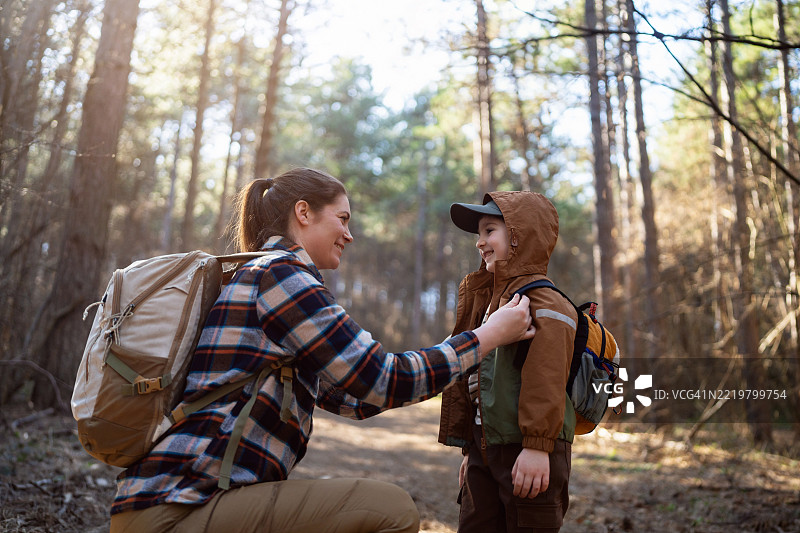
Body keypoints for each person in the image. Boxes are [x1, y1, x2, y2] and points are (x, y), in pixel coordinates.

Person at [109, 168, 536, 533]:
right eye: (343, 218)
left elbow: (355, 399)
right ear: (303, 212)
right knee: (392, 511)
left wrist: (466, 360)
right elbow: (383, 380)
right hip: (179, 509)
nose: (349, 234)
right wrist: (486, 338)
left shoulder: (263, 274)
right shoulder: (281, 275)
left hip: (174, 503)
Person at [438, 191, 577, 533]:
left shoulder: (545, 302)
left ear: (518, 237)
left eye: (489, 231)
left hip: (527, 448)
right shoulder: (489, 301)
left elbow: (546, 379)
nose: (479, 243)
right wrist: (472, 450)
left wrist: (537, 447)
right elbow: (477, 383)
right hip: (487, 447)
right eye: (478, 234)